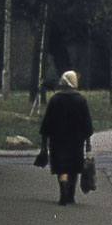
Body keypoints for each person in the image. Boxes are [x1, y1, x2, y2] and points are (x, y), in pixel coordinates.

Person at [38, 70, 94, 205]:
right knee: (73, 168)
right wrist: (88, 142)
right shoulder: (81, 100)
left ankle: (63, 187)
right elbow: (87, 124)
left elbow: (47, 122)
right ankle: (71, 195)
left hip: (57, 140)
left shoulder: (55, 100)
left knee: (61, 167)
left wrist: (44, 143)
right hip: (76, 141)